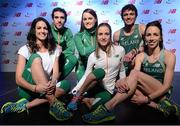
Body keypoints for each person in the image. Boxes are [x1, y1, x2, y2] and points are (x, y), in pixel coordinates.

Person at [82, 20, 180, 124]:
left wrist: (147, 99)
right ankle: (161, 107)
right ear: (145, 38)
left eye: (155, 35)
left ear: (160, 37)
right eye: (148, 35)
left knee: (132, 77)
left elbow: (166, 86)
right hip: (144, 91)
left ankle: (107, 108)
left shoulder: (169, 56)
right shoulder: (141, 56)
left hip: (162, 94)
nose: (151, 38)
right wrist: (122, 81)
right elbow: (134, 78)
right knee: (125, 88)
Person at [1, 17, 72, 121]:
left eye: (45, 28)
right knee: (35, 57)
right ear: (34, 30)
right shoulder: (25, 49)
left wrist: (53, 82)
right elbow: (18, 79)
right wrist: (35, 88)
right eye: (39, 28)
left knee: (66, 84)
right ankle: (53, 103)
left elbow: (55, 72)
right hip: (28, 90)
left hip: (45, 88)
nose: (42, 31)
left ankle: (26, 106)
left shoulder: (55, 49)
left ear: (49, 31)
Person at [67, 23, 126, 111]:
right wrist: (75, 89)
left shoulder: (120, 50)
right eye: (100, 34)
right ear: (97, 37)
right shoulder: (93, 55)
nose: (103, 37)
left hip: (109, 90)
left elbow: (122, 69)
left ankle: (85, 99)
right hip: (95, 86)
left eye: (106, 34)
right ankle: (78, 96)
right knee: (100, 72)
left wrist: (122, 81)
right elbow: (87, 75)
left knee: (93, 107)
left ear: (110, 35)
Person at [113, 4, 146, 76]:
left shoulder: (142, 29)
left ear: (136, 16)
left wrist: (134, 52)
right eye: (125, 15)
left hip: (140, 66)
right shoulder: (116, 35)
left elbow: (149, 47)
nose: (128, 17)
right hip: (124, 68)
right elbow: (116, 55)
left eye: (131, 14)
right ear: (122, 17)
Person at [51, 7, 77, 81]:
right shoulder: (48, 29)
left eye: (62, 18)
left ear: (65, 20)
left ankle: (56, 81)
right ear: (53, 19)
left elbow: (71, 48)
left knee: (73, 59)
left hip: (62, 57)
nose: (59, 20)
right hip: (49, 57)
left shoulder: (68, 31)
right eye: (56, 17)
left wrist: (60, 55)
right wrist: (55, 53)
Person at [74, 8, 98, 81]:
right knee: (84, 90)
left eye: (90, 18)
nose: (87, 21)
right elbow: (83, 52)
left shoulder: (101, 34)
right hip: (82, 69)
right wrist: (99, 46)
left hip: (97, 68)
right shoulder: (78, 36)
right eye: (85, 19)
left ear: (95, 20)